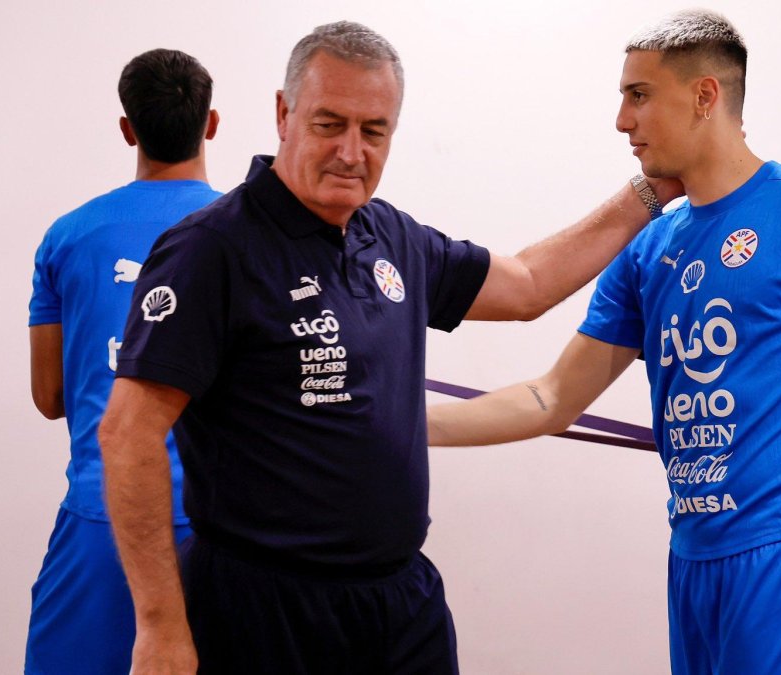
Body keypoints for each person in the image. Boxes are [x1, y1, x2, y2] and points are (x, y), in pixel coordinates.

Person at [98, 20, 682, 675]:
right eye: (330, 124)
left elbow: (526, 285)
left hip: (397, 604)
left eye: (374, 131)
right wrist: (159, 626)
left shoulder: (391, 237)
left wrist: (650, 191)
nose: (352, 151)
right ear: (284, 114)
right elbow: (128, 434)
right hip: (262, 609)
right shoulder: (211, 249)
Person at [428, 10, 781, 674]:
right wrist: (407, 427)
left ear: (705, 96)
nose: (622, 120)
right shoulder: (649, 248)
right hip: (693, 559)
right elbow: (552, 397)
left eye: (638, 95)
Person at [25, 49, 220, 674]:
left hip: (104, 521)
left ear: (127, 129)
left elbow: (50, 397)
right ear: (210, 124)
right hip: (222, 529)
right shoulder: (249, 233)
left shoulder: (68, 236)